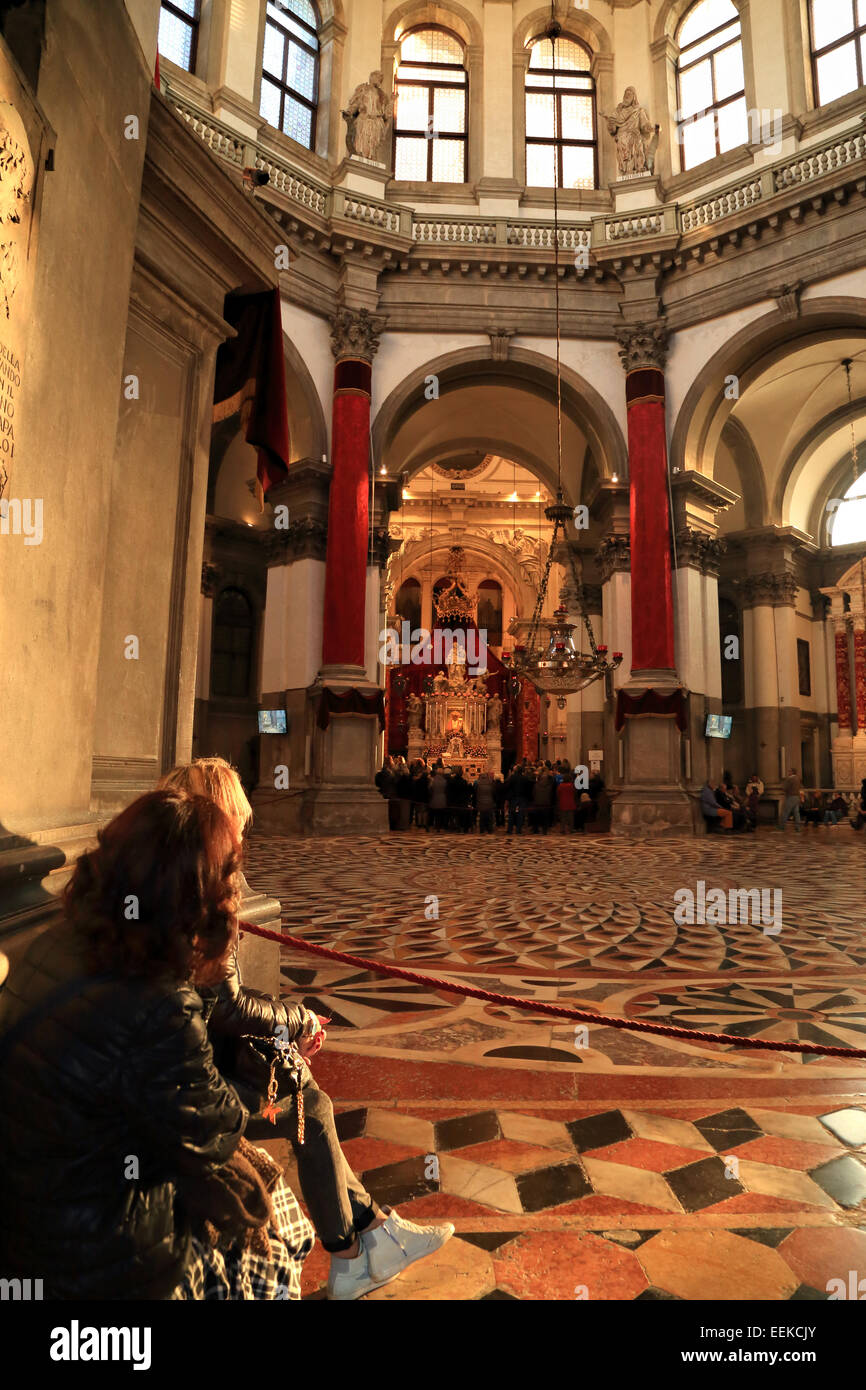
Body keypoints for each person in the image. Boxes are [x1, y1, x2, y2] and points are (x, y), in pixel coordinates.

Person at [0, 788, 315, 1300]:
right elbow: (214, 1130)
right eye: (227, 881)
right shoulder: (158, 1002)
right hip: (94, 1258)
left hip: (31, 1218)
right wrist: (205, 982)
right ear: (199, 897)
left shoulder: (57, 941)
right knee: (276, 1235)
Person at [160, 758, 454, 1300]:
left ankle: (372, 1235)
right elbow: (226, 1007)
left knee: (304, 1093)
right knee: (310, 1107)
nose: (244, 833)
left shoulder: (163, 877)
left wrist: (286, 1027)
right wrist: (299, 1019)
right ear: (219, 818)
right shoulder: (202, 892)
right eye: (238, 820)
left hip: (170, 1057)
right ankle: (352, 1254)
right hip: (171, 1084)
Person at [780, 767, 802, 832]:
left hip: (791, 796)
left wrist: (783, 786)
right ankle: (798, 827)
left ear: (792, 772)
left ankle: (782, 826)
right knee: (796, 813)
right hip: (797, 797)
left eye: (789, 771)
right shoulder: (798, 779)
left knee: (785, 811)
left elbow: (785, 788)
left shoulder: (790, 779)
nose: (788, 772)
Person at [429, 762, 449, 831]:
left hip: (434, 798)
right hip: (442, 798)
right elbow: (446, 790)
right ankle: (439, 826)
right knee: (440, 814)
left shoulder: (433, 780)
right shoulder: (445, 781)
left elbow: (430, 789)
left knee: (434, 813)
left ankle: (433, 825)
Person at [474, 768, 496, 833]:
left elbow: (475, 793)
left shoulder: (478, 783)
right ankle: (489, 829)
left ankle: (482, 829)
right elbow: (493, 793)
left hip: (481, 802)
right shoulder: (490, 783)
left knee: (482, 816)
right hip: (489, 802)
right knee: (489, 817)